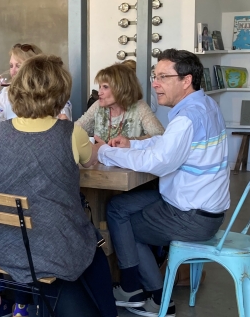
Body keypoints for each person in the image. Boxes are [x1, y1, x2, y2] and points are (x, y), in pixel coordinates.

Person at [94, 49, 230, 317]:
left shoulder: (187, 117)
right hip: (197, 203)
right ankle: (133, 288)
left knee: (125, 226)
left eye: (163, 77)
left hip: (192, 214)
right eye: (155, 76)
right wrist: (131, 143)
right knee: (117, 207)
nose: (154, 83)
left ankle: (159, 298)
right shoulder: (203, 105)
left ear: (186, 80)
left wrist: (104, 152)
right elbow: (170, 145)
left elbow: (159, 162)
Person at [0, 54, 118, 317]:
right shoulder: (71, 133)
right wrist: (98, 147)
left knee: (72, 239)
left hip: (5, 245)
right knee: (94, 246)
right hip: (56, 245)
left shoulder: (0, 132)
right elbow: (89, 162)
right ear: (60, 92)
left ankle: (25, 302)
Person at [0, 43, 73, 136]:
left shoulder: (53, 94)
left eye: (18, 66)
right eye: (11, 66)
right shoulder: (4, 94)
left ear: (34, 69)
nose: (12, 71)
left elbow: (63, 126)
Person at [75, 63, 164, 142]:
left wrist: (130, 141)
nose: (99, 92)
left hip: (129, 160)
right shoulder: (98, 106)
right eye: (100, 87)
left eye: (105, 87)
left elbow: (159, 136)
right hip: (101, 160)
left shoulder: (139, 107)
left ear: (121, 88)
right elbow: (75, 131)